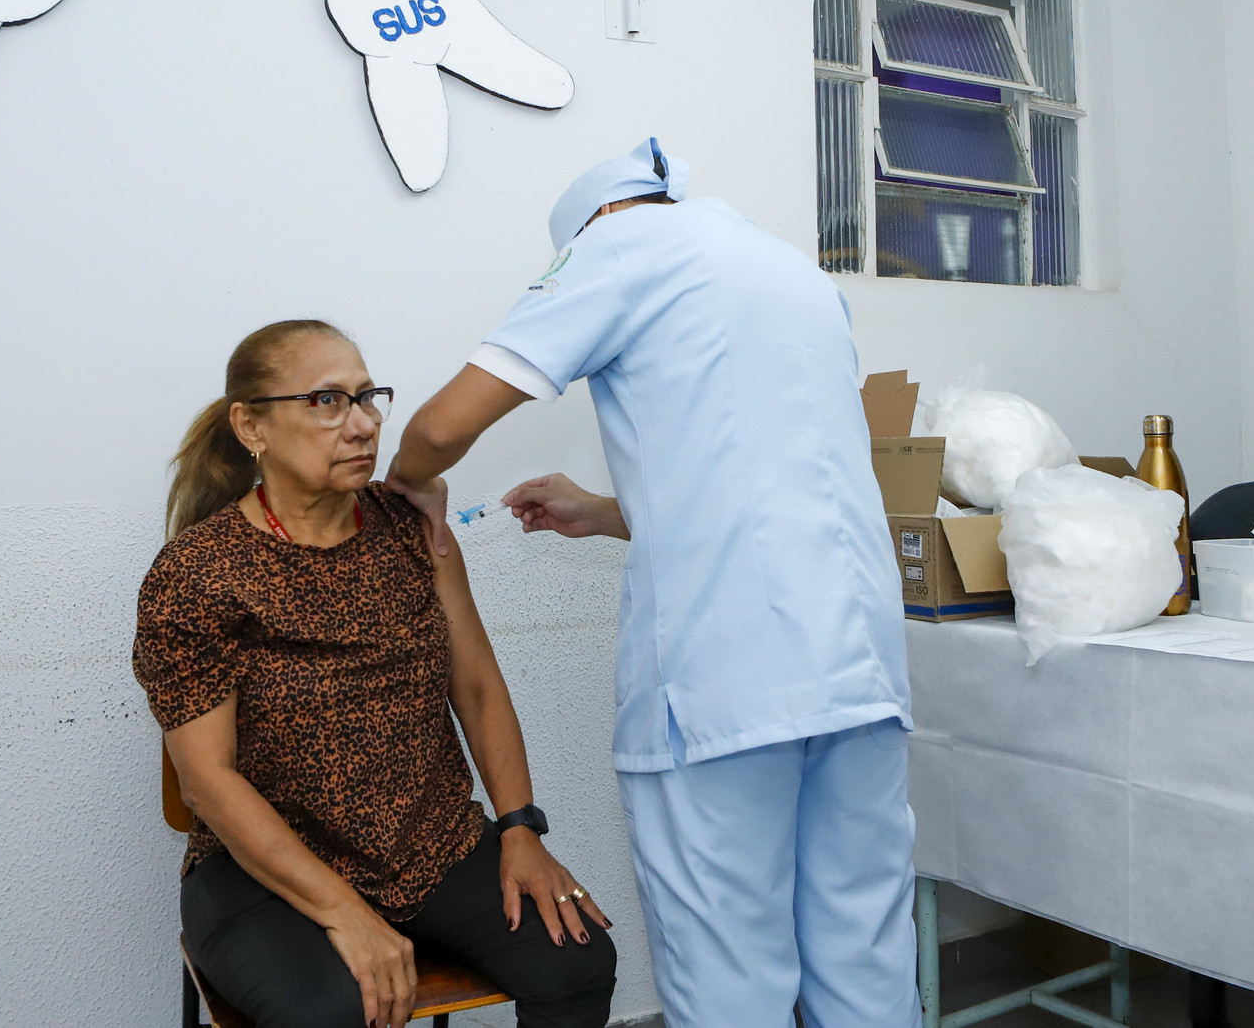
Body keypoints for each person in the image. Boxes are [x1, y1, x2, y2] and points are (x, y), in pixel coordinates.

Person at [383, 140, 919, 1028]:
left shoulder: (613, 251)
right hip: (858, 668)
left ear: (590, 227)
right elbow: (762, 485)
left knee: (728, 972)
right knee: (863, 952)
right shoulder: (788, 270)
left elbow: (442, 425)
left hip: (728, 684)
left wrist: (408, 481)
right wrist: (598, 509)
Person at [133, 320, 615, 1028]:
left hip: (429, 846)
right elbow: (209, 779)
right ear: (250, 425)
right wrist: (343, 912)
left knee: (577, 960)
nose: (363, 424)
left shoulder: (412, 529)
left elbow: (478, 689)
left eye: (368, 398)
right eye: (328, 401)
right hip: (264, 876)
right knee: (333, 1009)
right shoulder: (198, 572)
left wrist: (520, 830)